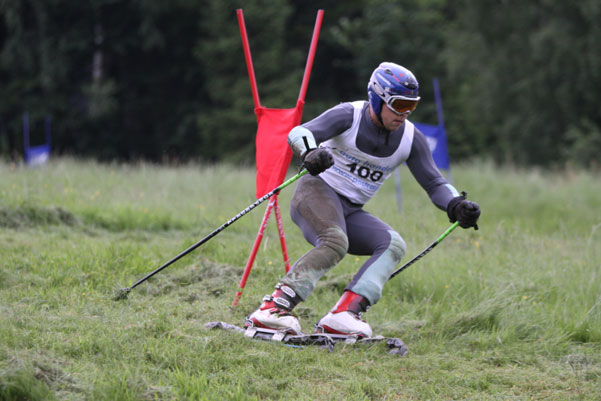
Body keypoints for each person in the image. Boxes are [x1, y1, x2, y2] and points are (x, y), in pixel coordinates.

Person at [246, 62, 480, 337]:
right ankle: (272, 308)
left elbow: (435, 183)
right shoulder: (350, 115)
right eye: (399, 105)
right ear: (376, 98)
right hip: (315, 191)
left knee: (393, 244)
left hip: (350, 209)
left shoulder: (410, 138)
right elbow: (300, 132)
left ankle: (344, 314)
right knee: (335, 242)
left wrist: (456, 205)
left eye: (411, 106)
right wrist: (310, 153)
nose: (404, 114)